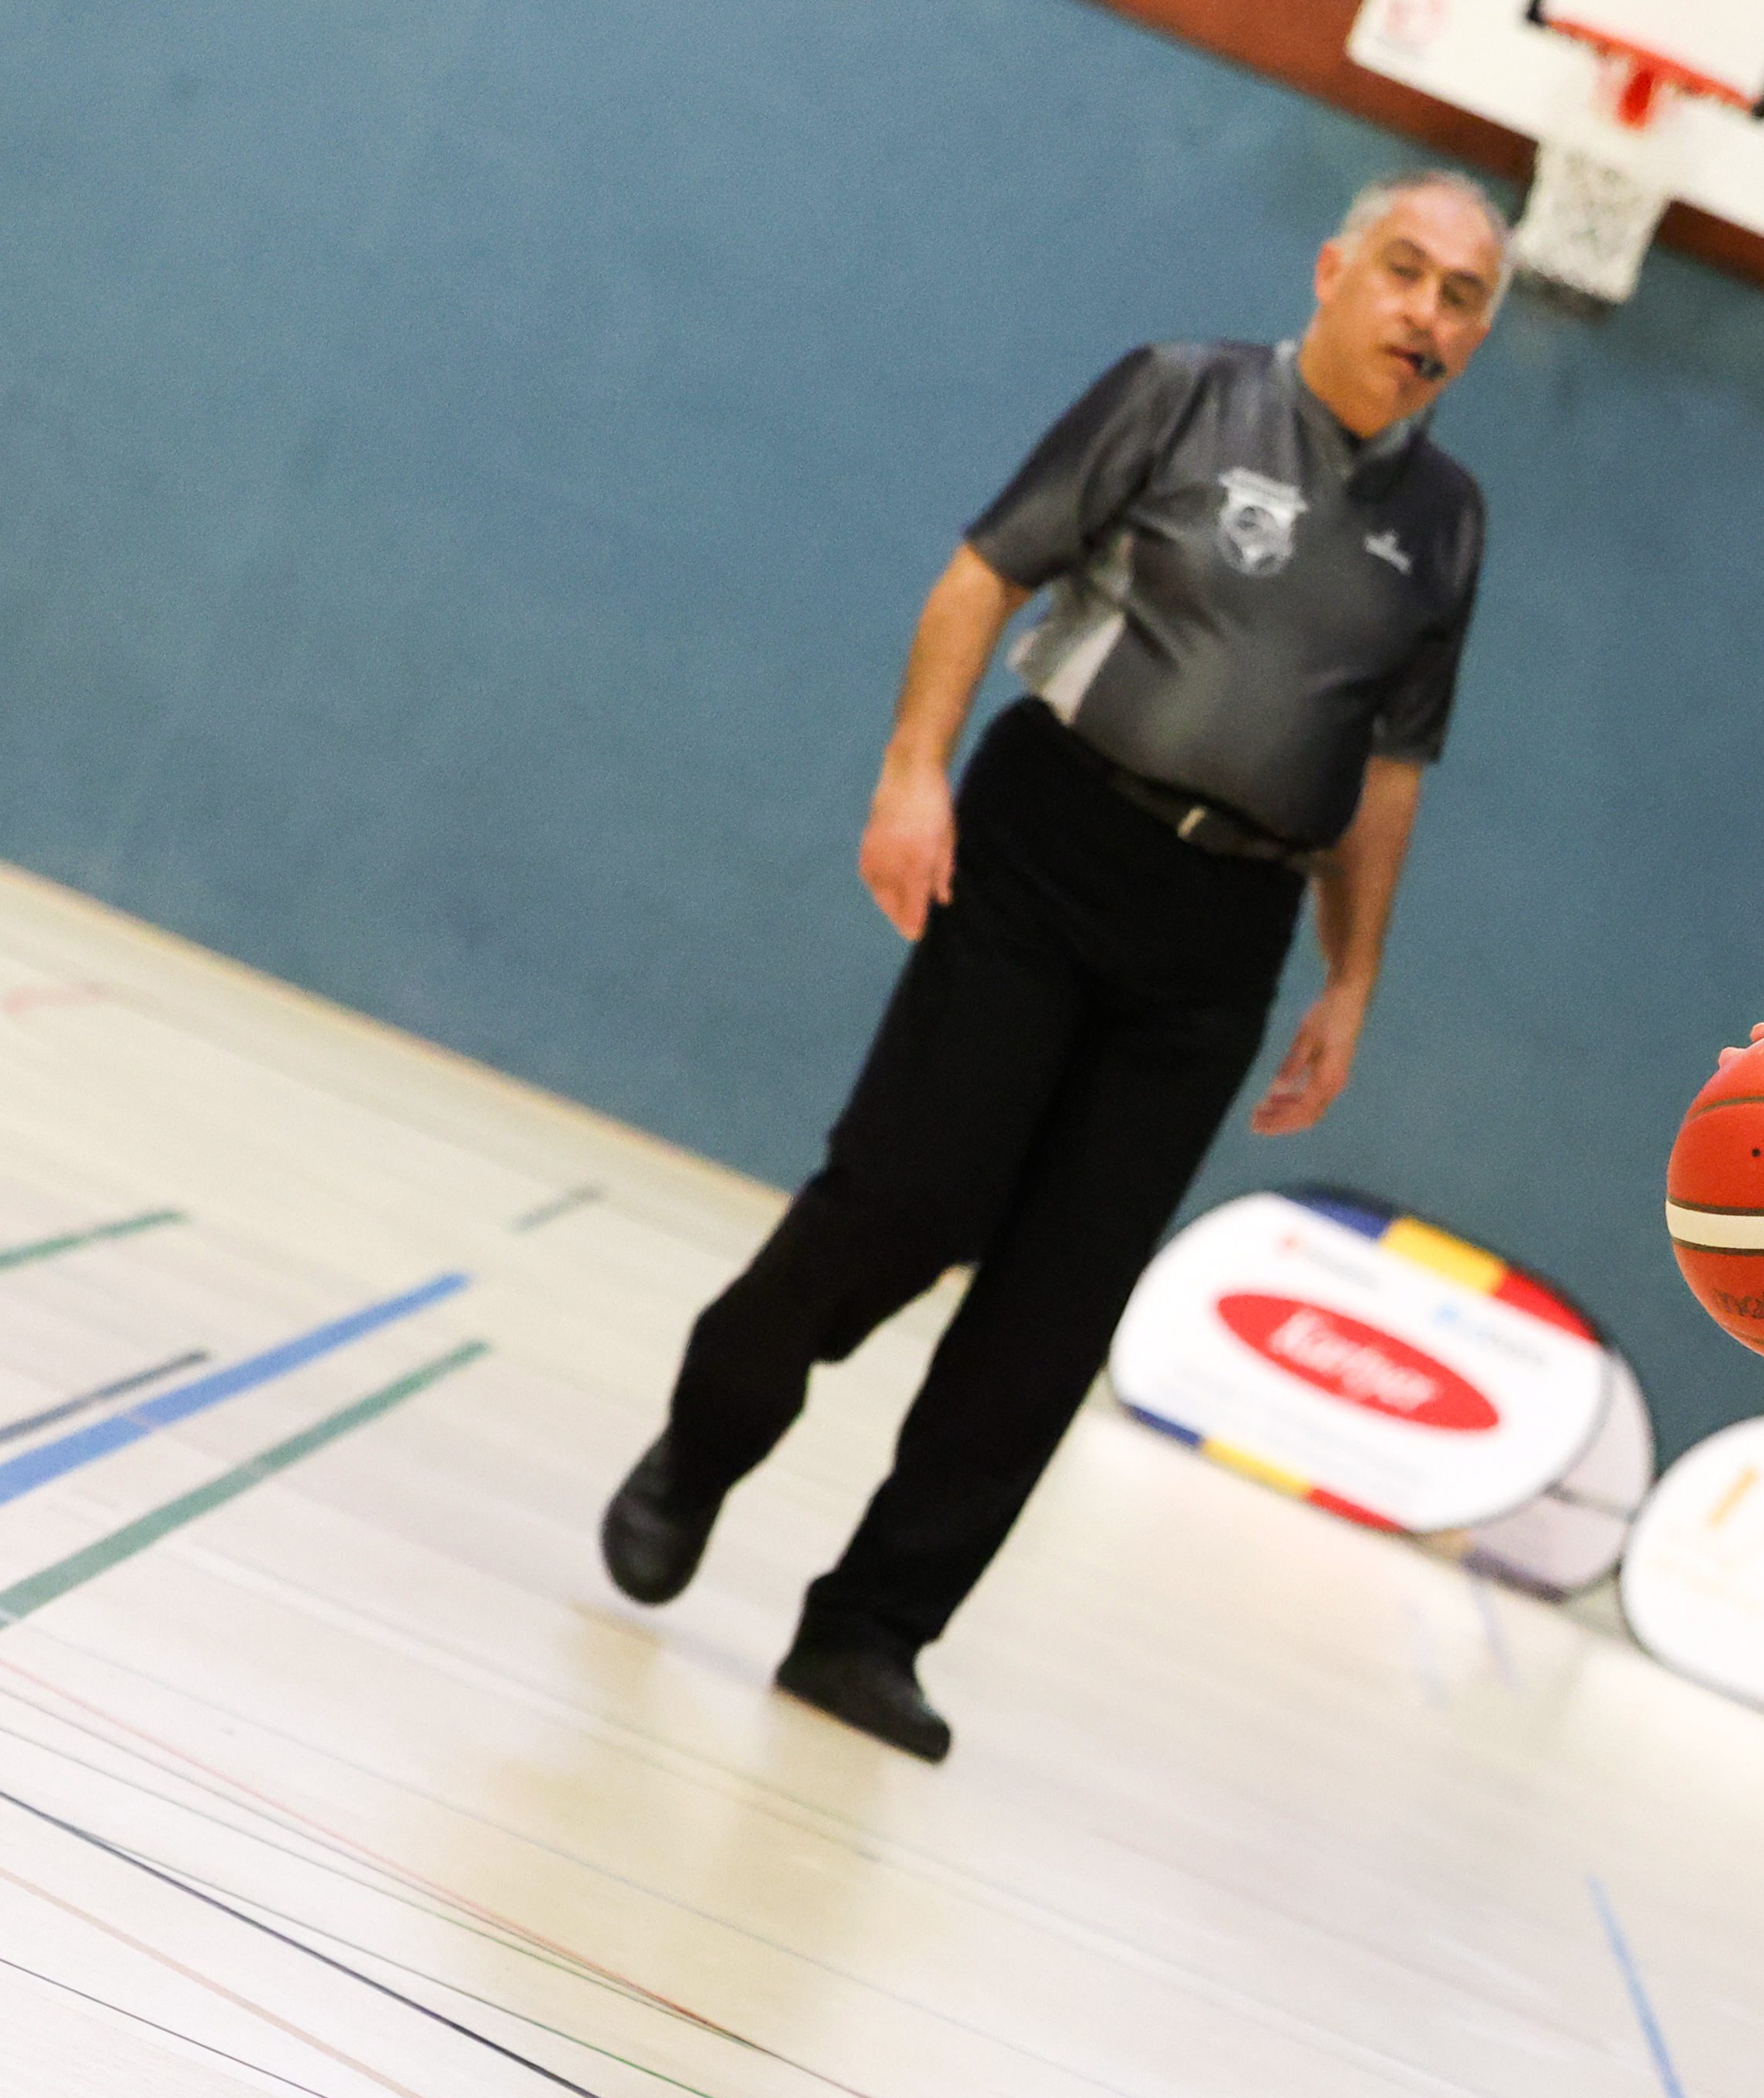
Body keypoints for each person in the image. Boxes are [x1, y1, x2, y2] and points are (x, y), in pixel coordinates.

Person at [595, 172, 1510, 1759]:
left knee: (1055, 1303)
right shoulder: (1178, 393)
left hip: (1222, 932)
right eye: (1402, 270)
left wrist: (1349, 978)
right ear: (1331, 270)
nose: (1423, 312)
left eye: (1461, 296)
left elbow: (1386, 774)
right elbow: (983, 575)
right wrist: (912, 773)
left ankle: (869, 1631)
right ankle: (702, 1443)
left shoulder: (1447, 524)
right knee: (904, 1200)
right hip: (1046, 844)